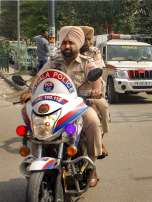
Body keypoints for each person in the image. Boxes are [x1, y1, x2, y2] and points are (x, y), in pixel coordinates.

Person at [20, 26, 103, 187]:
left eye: (71, 43)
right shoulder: (53, 61)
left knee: (92, 122)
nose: (66, 46)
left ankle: (92, 167)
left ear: (78, 44)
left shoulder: (87, 62)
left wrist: (96, 90)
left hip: (79, 105)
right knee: (30, 115)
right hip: (55, 107)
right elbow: (39, 78)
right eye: (64, 42)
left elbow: (96, 80)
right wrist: (30, 91)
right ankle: (34, 156)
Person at [79, 26, 110, 158]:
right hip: (69, 93)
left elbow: (98, 71)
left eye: (90, 39)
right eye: (85, 39)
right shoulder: (62, 54)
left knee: (101, 108)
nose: (89, 42)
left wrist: (95, 91)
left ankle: (100, 141)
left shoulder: (94, 52)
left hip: (91, 90)